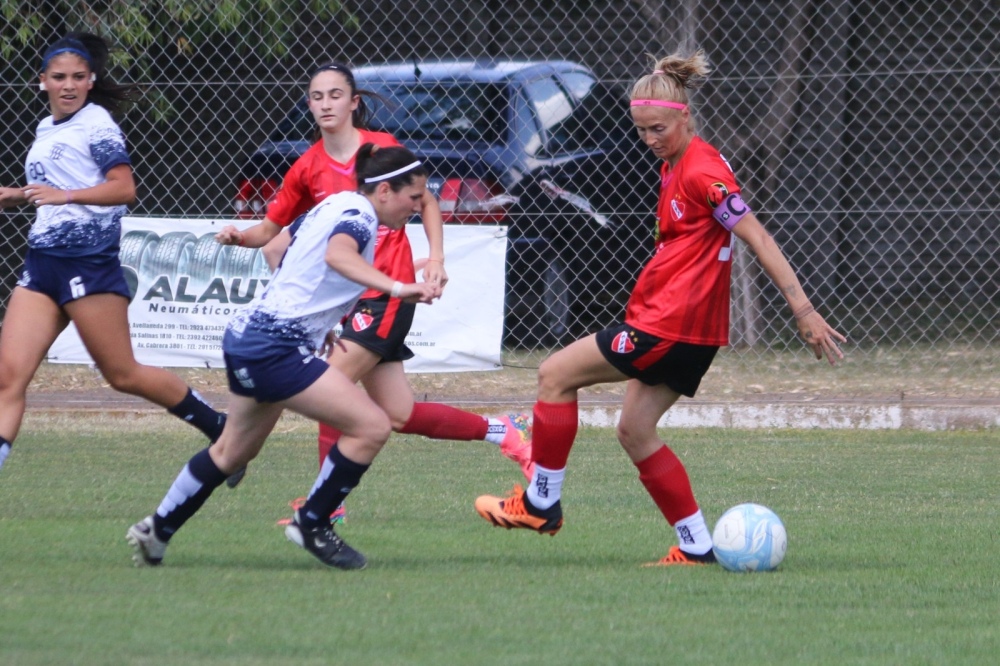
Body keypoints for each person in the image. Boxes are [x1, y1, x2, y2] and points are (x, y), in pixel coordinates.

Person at [474, 51, 846, 566]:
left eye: (658, 129)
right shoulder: (676, 164)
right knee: (634, 430)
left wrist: (802, 310)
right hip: (685, 331)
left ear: (685, 117)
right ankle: (696, 545)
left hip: (667, 326)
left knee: (554, 374)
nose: (649, 139)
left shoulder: (702, 172)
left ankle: (541, 503)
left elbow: (756, 234)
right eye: (642, 130)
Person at [215, 63, 533, 516]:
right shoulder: (307, 166)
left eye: (335, 95)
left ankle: (323, 509)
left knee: (330, 385)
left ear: (353, 102)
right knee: (399, 414)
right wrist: (238, 236)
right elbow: (271, 229)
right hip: (349, 301)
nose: (325, 104)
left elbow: (426, 201)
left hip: (386, 296)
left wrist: (436, 260)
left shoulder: (383, 151)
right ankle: (505, 430)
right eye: (316, 96)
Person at [127, 145, 439, 569]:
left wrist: (314, 318)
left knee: (232, 453)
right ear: (384, 190)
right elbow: (336, 255)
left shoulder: (333, 203)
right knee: (371, 426)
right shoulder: (360, 217)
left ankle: (157, 529)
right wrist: (400, 287)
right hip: (274, 347)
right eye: (414, 197)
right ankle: (311, 522)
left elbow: (277, 250)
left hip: (247, 336)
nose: (418, 206)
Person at [0, 32, 227, 476]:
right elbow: (58, 187)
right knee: (8, 377)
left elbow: (124, 188)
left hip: (87, 262)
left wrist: (64, 196)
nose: (68, 85)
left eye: (78, 77)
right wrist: (17, 195)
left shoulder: (97, 122)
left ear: (91, 81)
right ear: (41, 81)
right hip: (42, 263)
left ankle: (220, 426)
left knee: (123, 374)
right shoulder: (48, 128)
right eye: (59, 77)